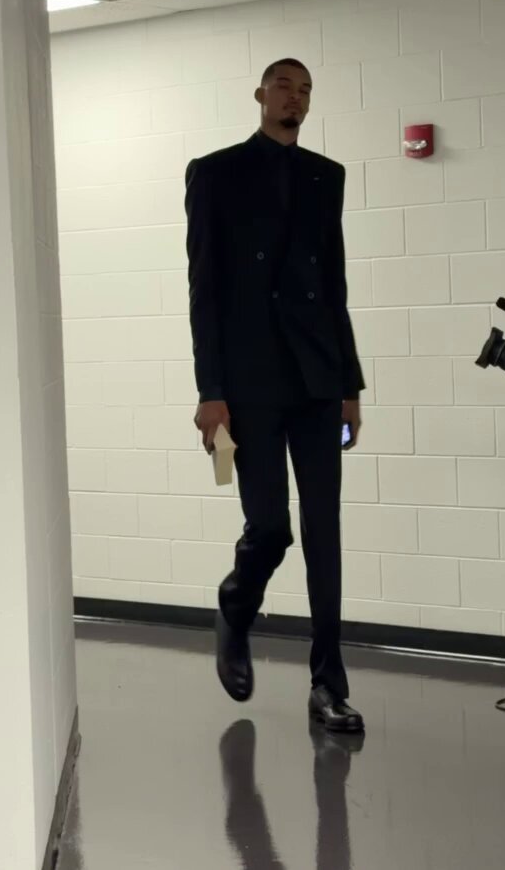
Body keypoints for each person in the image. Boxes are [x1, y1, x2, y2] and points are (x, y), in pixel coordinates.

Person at [184, 58, 365, 733]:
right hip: (251, 384)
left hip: (317, 380)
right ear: (261, 95)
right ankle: (237, 604)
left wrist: (349, 385)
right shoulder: (217, 172)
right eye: (286, 85)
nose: (297, 96)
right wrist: (211, 391)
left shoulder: (327, 178)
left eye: (307, 89)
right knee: (272, 528)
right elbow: (204, 291)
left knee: (326, 534)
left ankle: (328, 687)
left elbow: (335, 286)